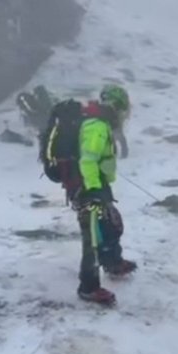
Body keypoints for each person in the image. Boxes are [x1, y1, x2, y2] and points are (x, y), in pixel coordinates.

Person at [73, 91, 137, 305]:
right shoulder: (97, 126)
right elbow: (87, 160)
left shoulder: (101, 124)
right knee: (92, 235)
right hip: (89, 187)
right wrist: (93, 190)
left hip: (98, 183)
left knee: (110, 224)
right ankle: (88, 287)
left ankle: (112, 261)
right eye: (123, 110)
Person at [99, 84, 131, 158]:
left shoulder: (106, 103)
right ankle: (123, 153)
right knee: (120, 137)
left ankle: (115, 153)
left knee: (115, 137)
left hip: (112, 121)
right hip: (115, 120)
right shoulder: (117, 101)